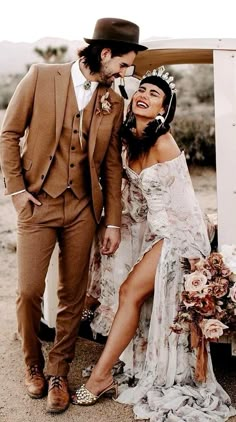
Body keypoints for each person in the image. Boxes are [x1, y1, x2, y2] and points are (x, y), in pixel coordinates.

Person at [0, 17, 147, 414]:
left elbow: (112, 167)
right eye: (123, 64)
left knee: (73, 295)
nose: (125, 72)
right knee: (30, 291)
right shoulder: (40, 76)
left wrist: (111, 220)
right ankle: (32, 363)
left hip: (83, 207)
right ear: (104, 54)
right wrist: (17, 192)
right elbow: (9, 134)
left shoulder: (113, 100)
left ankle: (58, 371)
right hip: (37, 202)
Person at [72, 67, 235, 421]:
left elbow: (186, 204)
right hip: (151, 232)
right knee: (126, 291)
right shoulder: (130, 137)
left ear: (164, 108)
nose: (144, 95)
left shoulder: (164, 142)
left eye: (155, 94)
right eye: (142, 89)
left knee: (131, 291)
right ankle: (114, 363)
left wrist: (196, 259)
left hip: (179, 236)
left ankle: (100, 378)